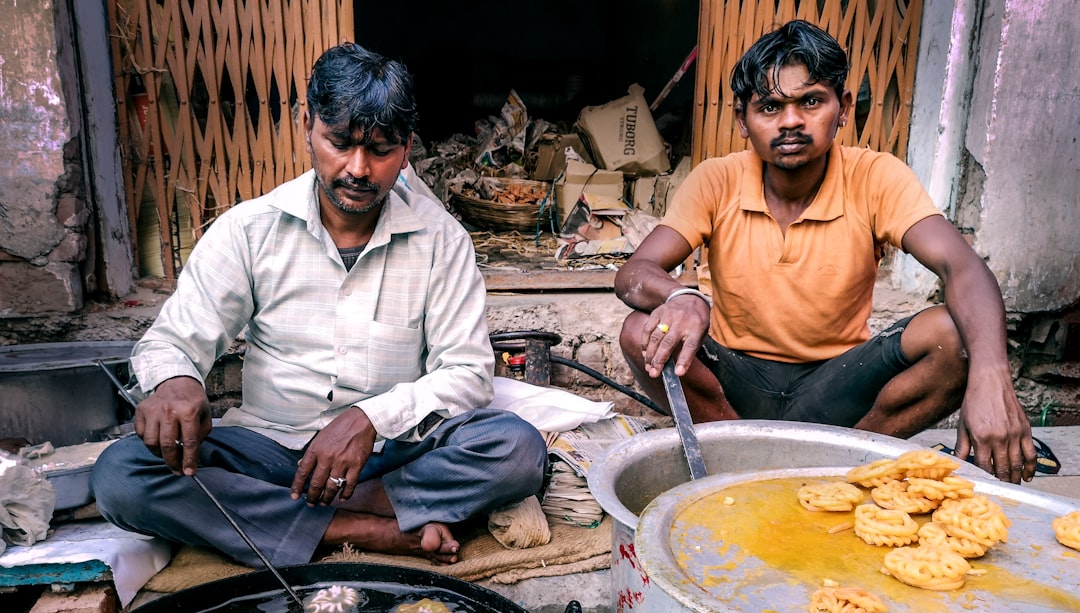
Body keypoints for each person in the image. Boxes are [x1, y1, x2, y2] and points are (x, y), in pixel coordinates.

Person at [91, 43, 548, 568]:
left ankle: (304, 518)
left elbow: (467, 374)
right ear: (307, 125)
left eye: (381, 150)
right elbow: (173, 340)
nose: (358, 169)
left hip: (389, 457)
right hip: (270, 454)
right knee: (121, 475)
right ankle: (369, 529)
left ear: (407, 148)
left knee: (516, 450)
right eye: (339, 143)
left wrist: (368, 419)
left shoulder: (441, 240)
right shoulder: (249, 230)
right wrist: (175, 381)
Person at [615, 20, 1036, 484]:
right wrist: (682, 297)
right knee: (640, 329)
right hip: (735, 385)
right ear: (742, 120)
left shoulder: (876, 177)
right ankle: (741, 465)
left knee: (952, 336)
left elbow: (962, 265)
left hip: (838, 385)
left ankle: (843, 472)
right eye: (770, 107)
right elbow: (635, 272)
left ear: (843, 110)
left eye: (811, 101)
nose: (791, 120)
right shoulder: (717, 179)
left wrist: (994, 376)